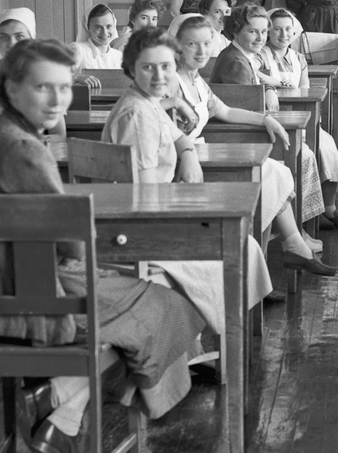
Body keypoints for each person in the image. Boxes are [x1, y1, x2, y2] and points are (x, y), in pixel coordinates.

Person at [0, 39, 207, 453]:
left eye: (63, 87)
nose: (57, 99)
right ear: (11, 89)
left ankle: (59, 405)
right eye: (42, 88)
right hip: (36, 299)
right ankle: (60, 401)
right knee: (170, 306)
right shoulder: (23, 147)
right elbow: (71, 241)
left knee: (145, 305)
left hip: (4, 285)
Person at [102, 28, 272, 330]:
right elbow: (143, 196)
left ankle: (191, 342)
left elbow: (175, 135)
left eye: (166, 67)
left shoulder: (147, 103)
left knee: (243, 241)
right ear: (130, 69)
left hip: (146, 216)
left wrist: (189, 151)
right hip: (139, 232)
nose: (159, 76)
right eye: (147, 67)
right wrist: (189, 206)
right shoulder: (137, 115)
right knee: (240, 245)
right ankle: (209, 335)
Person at [168, 13, 334, 278]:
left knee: (276, 172)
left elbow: (224, 110)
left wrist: (265, 120)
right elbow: (169, 134)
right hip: (184, 166)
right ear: (177, 45)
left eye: (206, 44)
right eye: (191, 44)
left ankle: (282, 252)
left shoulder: (196, 80)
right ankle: (284, 252)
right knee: (268, 173)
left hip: (202, 155)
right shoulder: (171, 82)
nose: (201, 51)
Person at [211, 4, 328, 226]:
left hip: (245, 132)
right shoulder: (236, 63)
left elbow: (255, 94)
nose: (260, 38)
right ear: (236, 30)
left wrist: (270, 93)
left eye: (264, 32)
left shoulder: (242, 56)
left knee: (305, 152)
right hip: (236, 139)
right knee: (302, 155)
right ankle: (297, 230)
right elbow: (243, 112)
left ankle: (297, 229)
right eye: (252, 31)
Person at [258, 8, 338, 230]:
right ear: (268, 32)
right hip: (273, 119)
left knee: (326, 145)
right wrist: (276, 85)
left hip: (299, 116)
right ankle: (312, 213)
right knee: (308, 151)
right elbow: (255, 74)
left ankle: (329, 209)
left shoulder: (298, 58)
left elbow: (306, 92)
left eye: (288, 29)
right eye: (277, 29)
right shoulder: (261, 55)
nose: (283, 35)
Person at [70, 4, 123, 71]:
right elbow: (58, 76)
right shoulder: (79, 50)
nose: (104, 32)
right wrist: (77, 78)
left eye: (108, 26)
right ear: (88, 27)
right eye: (98, 27)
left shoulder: (119, 56)